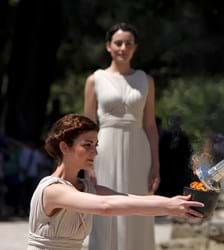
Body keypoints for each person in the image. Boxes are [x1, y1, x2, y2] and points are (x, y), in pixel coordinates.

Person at [27, 114, 203, 250]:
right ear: (65, 147)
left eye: (96, 145)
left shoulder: (87, 188)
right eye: (87, 145)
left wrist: (178, 203)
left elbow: (135, 199)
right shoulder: (52, 190)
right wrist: (168, 207)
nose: (94, 152)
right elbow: (106, 206)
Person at [84, 23, 160, 250]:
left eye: (128, 43)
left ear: (135, 47)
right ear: (109, 46)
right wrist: (87, 164)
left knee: (139, 208)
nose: (123, 48)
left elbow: (150, 125)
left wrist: (156, 164)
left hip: (138, 150)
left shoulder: (146, 81)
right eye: (118, 43)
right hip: (104, 149)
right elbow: (87, 126)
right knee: (106, 208)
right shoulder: (95, 80)